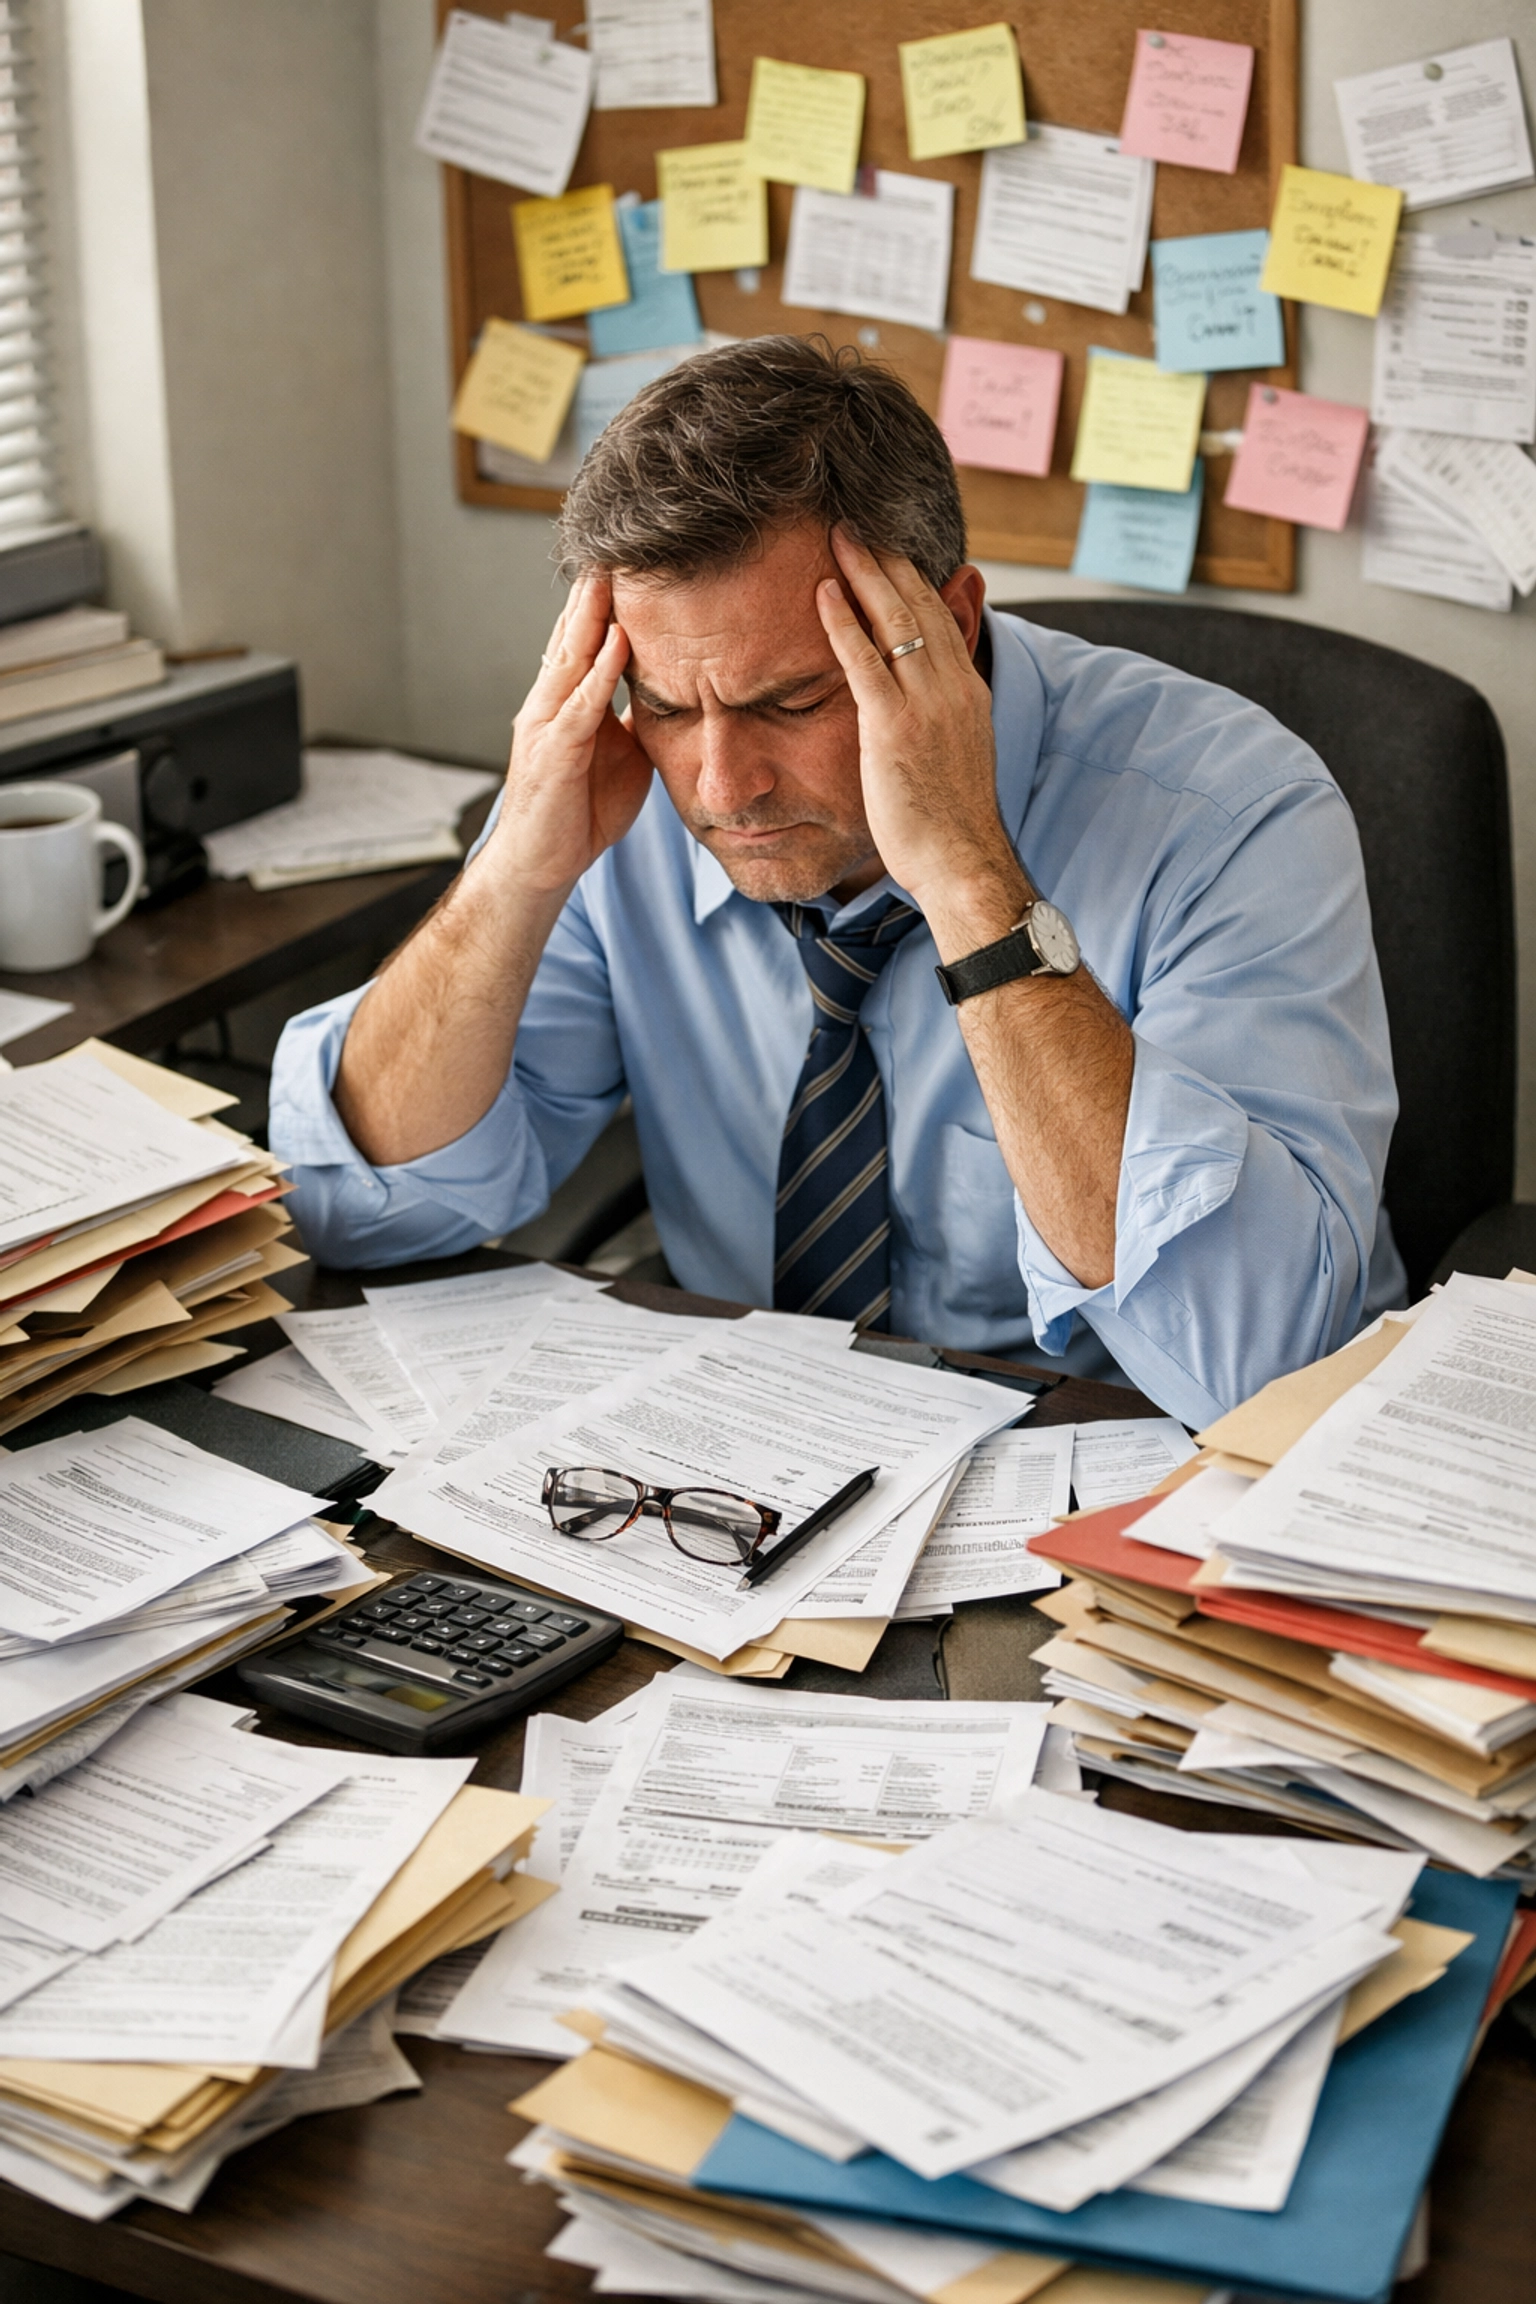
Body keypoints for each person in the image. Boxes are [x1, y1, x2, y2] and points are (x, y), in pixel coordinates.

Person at [270, 335, 1404, 1428]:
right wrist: (518, 867)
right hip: (749, 1448)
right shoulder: (617, 802)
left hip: (1116, 1475)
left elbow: (1256, 1363)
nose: (724, 787)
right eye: (667, 705)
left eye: (792, 702)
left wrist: (972, 882)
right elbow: (356, 1213)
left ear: (948, 628)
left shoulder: (1230, 812)